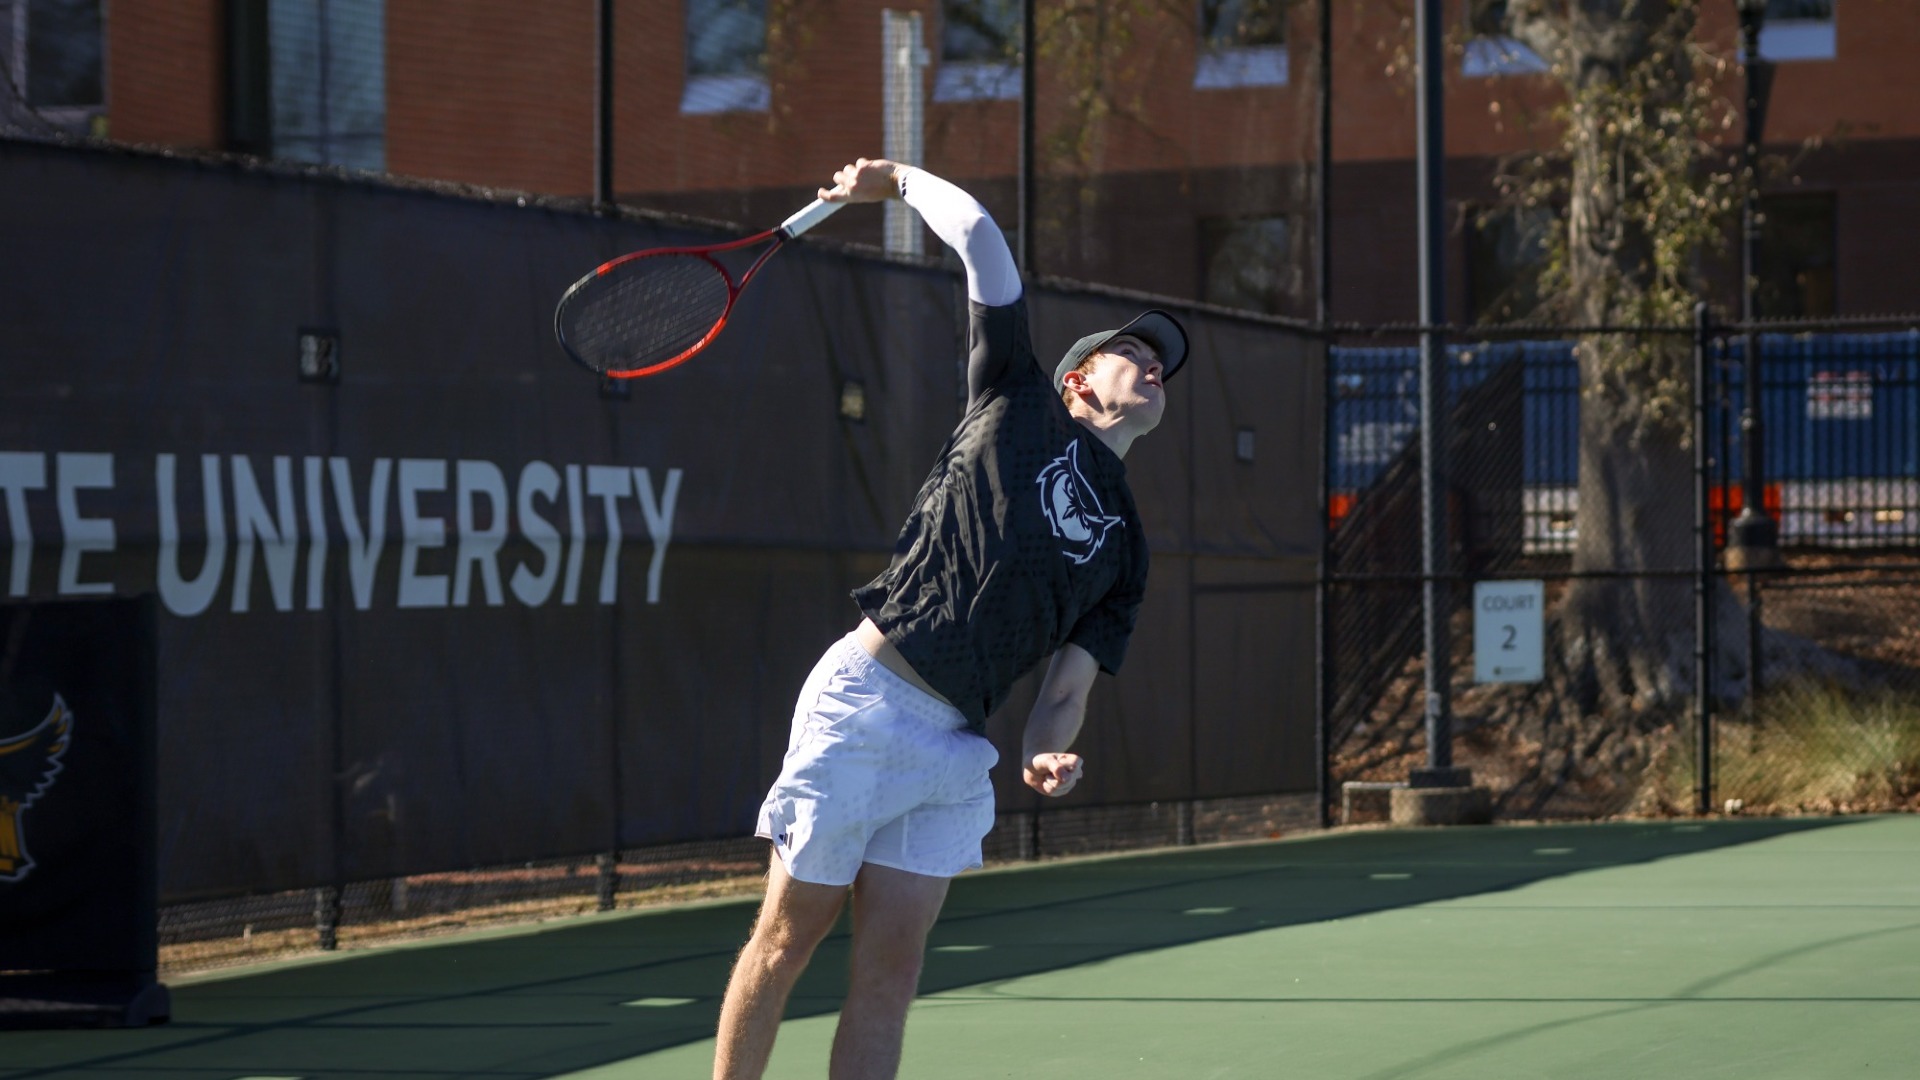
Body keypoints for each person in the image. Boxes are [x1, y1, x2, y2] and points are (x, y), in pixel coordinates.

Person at [712, 157, 1189, 1080]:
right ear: (1079, 381)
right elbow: (974, 231)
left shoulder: (1126, 548)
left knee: (891, 973)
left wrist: (1050, 749)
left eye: (1163, 359)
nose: (1155, 363)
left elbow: (1067, 688)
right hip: (867, 704)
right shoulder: (1012, 391)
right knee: (785, 941)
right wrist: (893, 179)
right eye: (1134, 351)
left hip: (954, 753)